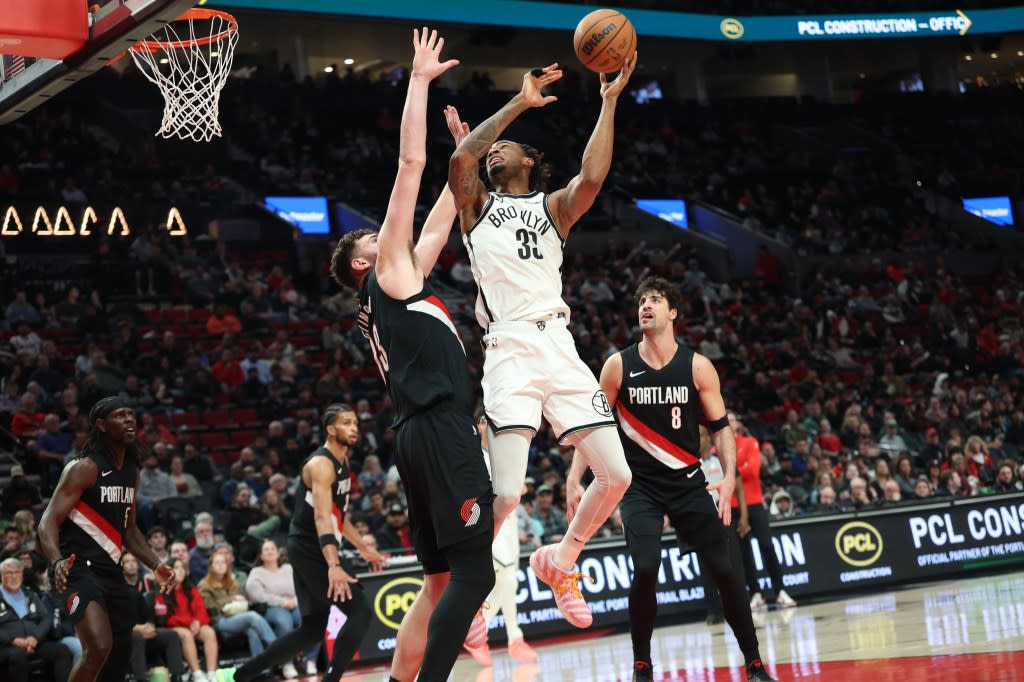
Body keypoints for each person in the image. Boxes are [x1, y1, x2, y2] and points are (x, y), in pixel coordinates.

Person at [327, 29, 495, 682]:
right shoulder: (383, 273)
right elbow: (407, 171)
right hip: (440, 426)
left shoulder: (391, 287)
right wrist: (419, 83)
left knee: (438, 582)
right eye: (375, 235)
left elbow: (438, 221)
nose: (383, 228)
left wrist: (466, 159)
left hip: (416, 436)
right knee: (474, 572)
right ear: (366, 261)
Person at [448, 53, 637, 628]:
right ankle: (474, 582)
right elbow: (462, 157)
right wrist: (519, 103)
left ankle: (561, 560)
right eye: (494, 147)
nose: (497, 150)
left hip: (559, 344)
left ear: (532, 161)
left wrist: (607, 101)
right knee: (506, 492)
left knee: (617, 475)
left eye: (510, 145)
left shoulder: (553, 208)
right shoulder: (476, 205)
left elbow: (595, 177)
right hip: (508, 349)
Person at [567, 277, 774, 682]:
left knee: (726, 570)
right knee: (645, 568)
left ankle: (754, 662)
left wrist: (729, 477)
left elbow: (720, 427)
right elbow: (591, 426)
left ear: (673, 312)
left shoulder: (697, 366)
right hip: (639, 487)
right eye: (642, 300)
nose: (646, 305)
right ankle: (641, 665)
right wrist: (575, 479)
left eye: (656, 300)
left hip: (688, 482)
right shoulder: (617, 365)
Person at [227, 405, 384, 682]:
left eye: (356, 423)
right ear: (330, 429)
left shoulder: (343, 462)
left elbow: (338, 516)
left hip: (310, 547)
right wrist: (333, 565)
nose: (354, 428)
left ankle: (240, 675)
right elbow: (322, 517)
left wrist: (363, 547)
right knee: (359, 611)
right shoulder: (320, 465)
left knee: (312, 628)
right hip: (312, 547)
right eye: (346, 423)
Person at [37, 397, 177, 682]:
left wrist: (155, 564)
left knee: (120, 652)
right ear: (101, 425)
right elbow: (47, 521)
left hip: (111, 572)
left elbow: (130, 530)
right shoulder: (84, 467)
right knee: (98, 647)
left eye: (131, 414)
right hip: (78, 569)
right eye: (120, 415)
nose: (129, 420)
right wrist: (57, 561)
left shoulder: (131, 472)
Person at [464, 411, 537, 666]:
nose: (491, 427)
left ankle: (509, 638)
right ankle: (480, 633)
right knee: (500, 581)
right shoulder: (474, 457)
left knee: (509, 582)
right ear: (479, 427)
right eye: (485, 422)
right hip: (488, 523)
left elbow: (522, 486)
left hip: (510, 525)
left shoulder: (503, 454)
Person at [729, 413, 797, 610]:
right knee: (744, 553)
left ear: (738, 424)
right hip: (733, 505)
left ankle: (780, 590)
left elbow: (753, 470)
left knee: (767, 545)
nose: (729, 422)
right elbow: (724, 472)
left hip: (754, 502)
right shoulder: (718, 447)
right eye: (726, 419)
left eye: (732, 419)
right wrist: (739, 468)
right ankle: (755, 593)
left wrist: (734, 470)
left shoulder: (750, 442)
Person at [244, 538, 321, 678]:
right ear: (261, 556)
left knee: (314, 618)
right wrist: (281, 602)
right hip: (272, 607)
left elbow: (304, 587)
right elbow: (255, 594)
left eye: (272, 549)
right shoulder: (257, 572)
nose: (270, 552)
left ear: (278, 553)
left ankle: (310, 660)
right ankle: (287, 662)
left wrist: (295, 601)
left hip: (295, 603)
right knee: (284, 621)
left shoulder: (289, 568)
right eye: (266, 550)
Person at [0, 557, 73, 682]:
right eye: (9, 573)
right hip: (6, 646)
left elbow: (46, 618)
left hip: (33, 643)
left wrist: (35, 637)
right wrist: (13, 640)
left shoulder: (30, 594)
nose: (14, 577)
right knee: (18, 655)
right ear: (1, 576)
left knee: (61, 651)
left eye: (17, 572)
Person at [198, 548, 275, 658]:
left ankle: (261, 668)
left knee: (252, 630)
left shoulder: (234, 583)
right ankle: (277, 648)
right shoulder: (204, 585)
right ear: (211, 566)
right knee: (252, 617)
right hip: (219, 620)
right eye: (217, 563)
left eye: (223, 562)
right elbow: (210, 608)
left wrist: (244, 602)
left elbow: (243, 602)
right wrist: (231, 599)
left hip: (238, 616)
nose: (220, 565)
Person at [154, 558, 219, 682]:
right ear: (168, 572)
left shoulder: (191, 589)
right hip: (172, 627)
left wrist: (198, 622)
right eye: (177, 568)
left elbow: (201, 610)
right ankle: (197, 674)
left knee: (209, 632)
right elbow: (166, 618)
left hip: (193, 625)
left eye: (182, 568)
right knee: (186, 634)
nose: (181, 571)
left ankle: (211, 673)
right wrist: (190, 623)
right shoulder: (161, 591)